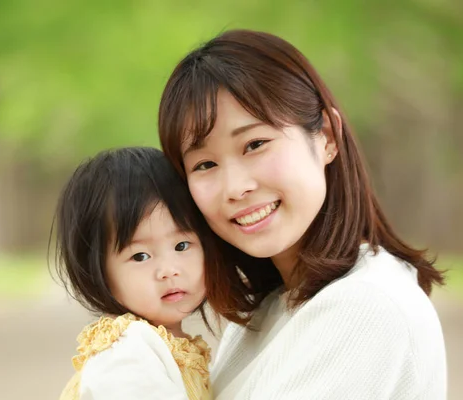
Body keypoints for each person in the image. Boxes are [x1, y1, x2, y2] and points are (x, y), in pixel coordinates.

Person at [158, 29, 447, 399]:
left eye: (255, 144)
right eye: (204, 164)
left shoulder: (365, 305)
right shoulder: (273, 307)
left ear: (326, 135)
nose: (235, 187)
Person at [54, 147, 222, 400]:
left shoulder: (158, 345)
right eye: (140, 256)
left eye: (181, 246)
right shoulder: (128, 352)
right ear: (97, 270)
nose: (168, 271)